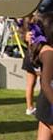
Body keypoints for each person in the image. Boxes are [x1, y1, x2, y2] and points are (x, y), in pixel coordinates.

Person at [29, 12, 53, 140]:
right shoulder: (49, 52)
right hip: (50, 102)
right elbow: (45, 83)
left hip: (44, 101)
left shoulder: (40, 47)